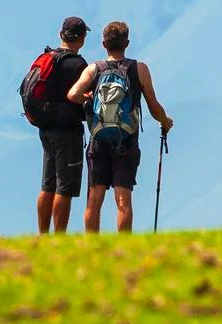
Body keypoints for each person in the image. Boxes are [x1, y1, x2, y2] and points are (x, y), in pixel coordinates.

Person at [67, 19, 173, 234]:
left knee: (95, 197)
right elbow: (153, 107)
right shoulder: (139, 69)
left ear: (104, 44)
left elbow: (72, 94)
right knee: (123, 197)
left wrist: (88, 100)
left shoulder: (93, 69)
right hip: (126, 140)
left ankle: (92, 248)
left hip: (99, 139)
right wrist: (165, 122)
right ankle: (123, 246)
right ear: (127, 43)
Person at [25, 16, 91, 233]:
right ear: (81, 39)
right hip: (68, 131)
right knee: (65, 187)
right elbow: (78, 96)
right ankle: (59, 237)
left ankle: (43, 234)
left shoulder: (48, 58)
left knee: (47, 184)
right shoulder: (77, 64)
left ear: (61, 35)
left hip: (45, 128)